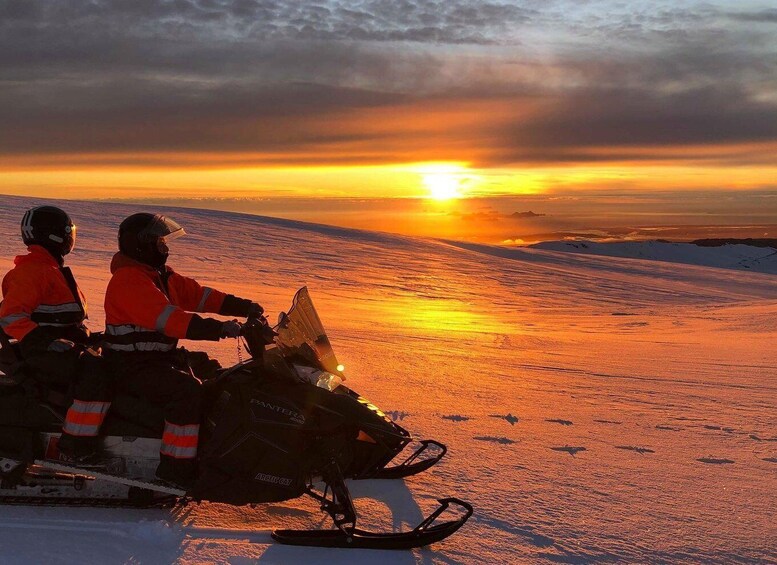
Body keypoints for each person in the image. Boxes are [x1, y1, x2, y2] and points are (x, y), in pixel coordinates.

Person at [103, 212, 263, 487]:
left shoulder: (158, 275)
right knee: (187, 391)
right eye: (159, 242)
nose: (165, 248)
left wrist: (244, 306)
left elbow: (198, 295)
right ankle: (175, 470)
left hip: (155, 360)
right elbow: (169, 320)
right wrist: (220, 329)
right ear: (141, 244)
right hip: (129, 366)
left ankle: (212, 449)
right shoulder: (129, 280)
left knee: (216, 374)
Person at [0, 206, 111, 459]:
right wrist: (46, 341)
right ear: (55, 236)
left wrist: (96, 337)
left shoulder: (51, 270)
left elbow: (63, 320)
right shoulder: (31, 272)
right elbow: (11, 317)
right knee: (96, 373)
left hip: (59, 347)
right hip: (40, 353)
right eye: (68, 231)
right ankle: (77, 443)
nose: (72, 236)